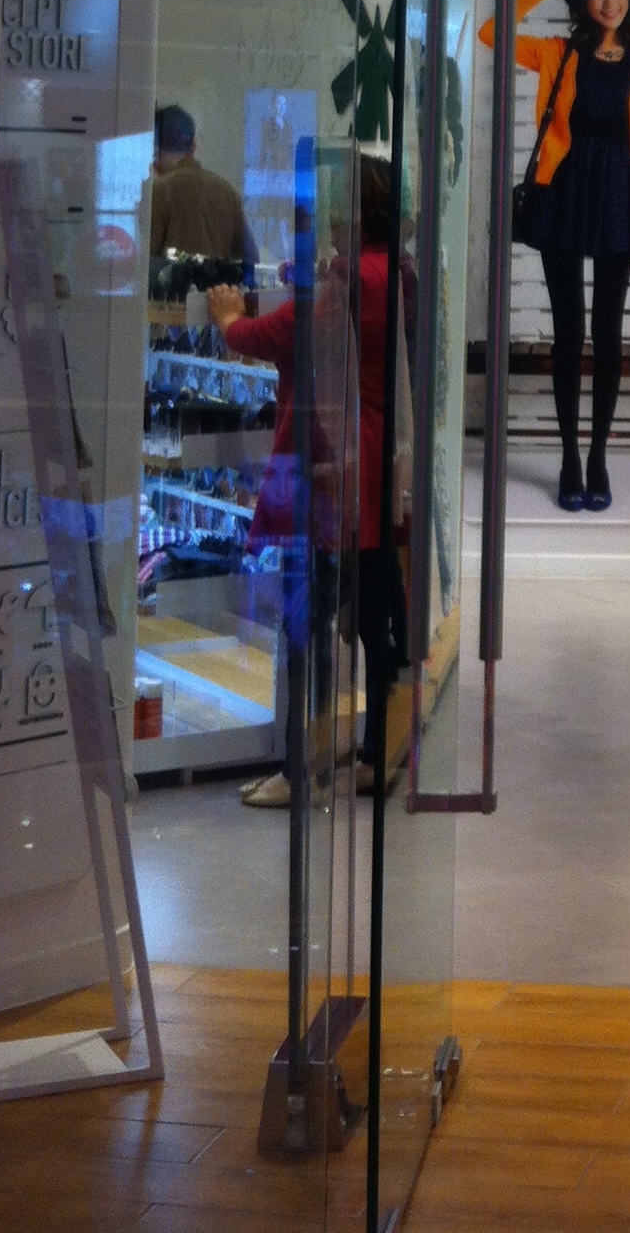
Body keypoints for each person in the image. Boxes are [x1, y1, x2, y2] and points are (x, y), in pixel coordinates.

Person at [209, 155, 411, 802]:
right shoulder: (397, 271)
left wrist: (227, 319)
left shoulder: (346, 280)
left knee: (307, 619)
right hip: (375, 463)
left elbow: (277, 335)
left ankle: (302, 769)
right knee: (374, 613)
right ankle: (377, 754)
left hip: (329, 464)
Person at [481, 0, 630, 513]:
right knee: (568, 332)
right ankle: (568, 459)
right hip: (563, 192)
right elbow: (490, 33)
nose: (610, 2)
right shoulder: (557, 52)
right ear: (581, 0)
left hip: (619, 196)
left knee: (608, 332)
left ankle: (599, 456)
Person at [149, 103, 257, 270]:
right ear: (193, 145)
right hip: (219, 287)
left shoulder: (159, 191)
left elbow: (143, 262)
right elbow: (251, 257)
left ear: (154, 150)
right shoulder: (226, 191)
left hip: (171, 287)